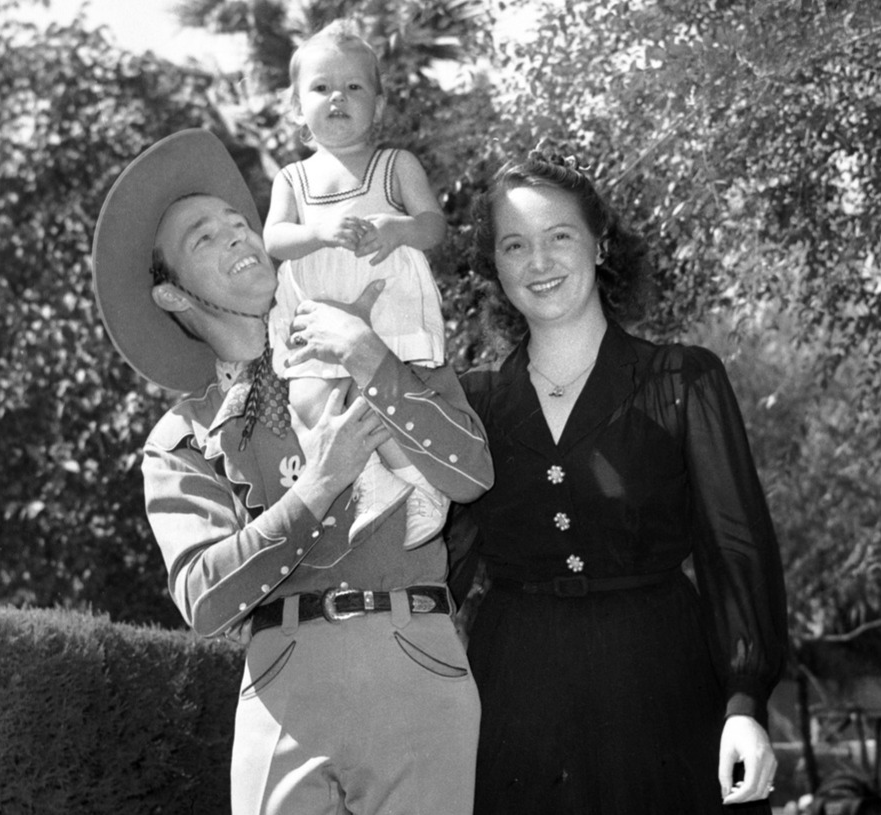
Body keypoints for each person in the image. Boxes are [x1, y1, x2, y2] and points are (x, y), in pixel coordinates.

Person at [90, 128, 491, 815]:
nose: (238, 237)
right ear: (173, 296)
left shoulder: (384, 333)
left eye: (239, 223)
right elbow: (203, 599)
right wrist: (318, 485)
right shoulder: (178, 439)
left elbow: (470, 471)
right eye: (204, 239)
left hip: (415, 667)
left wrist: (373, 362)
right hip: (282, 696)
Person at [454, 151, 789, 814]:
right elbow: (434, 568)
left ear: (600, 243)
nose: (538, 261)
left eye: (559, 236)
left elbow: (735, 548)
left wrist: (745, 702)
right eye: (514, 244)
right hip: (513, 699)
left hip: (661, 687)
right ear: (494, 265)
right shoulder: (470, 405)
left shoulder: (681, 380)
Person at [264, 20, 450, 549]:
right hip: (319, 306)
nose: (337, 98)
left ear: (379, 105)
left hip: (384, 300)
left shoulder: (395, 165)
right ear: (298, 107)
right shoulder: (293, 179)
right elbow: (275, 238)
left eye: (353, 87)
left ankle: (419, 483)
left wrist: (401, 228)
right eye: (321, 88)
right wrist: (318, 230)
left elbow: (433, 226)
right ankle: (374, 480)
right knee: (308, 399)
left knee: (379, 393)